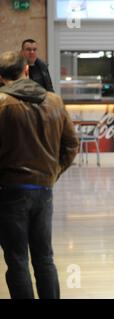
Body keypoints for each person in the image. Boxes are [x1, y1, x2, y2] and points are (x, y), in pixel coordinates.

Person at [0, 51, 79, 298]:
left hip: (9, 191)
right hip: (44, 189)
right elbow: (71, 145)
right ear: (26, 70)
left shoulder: (3, 104)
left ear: (1, 77)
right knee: (45, 258)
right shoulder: (54, 101)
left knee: (17, 259)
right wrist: (52, 173)